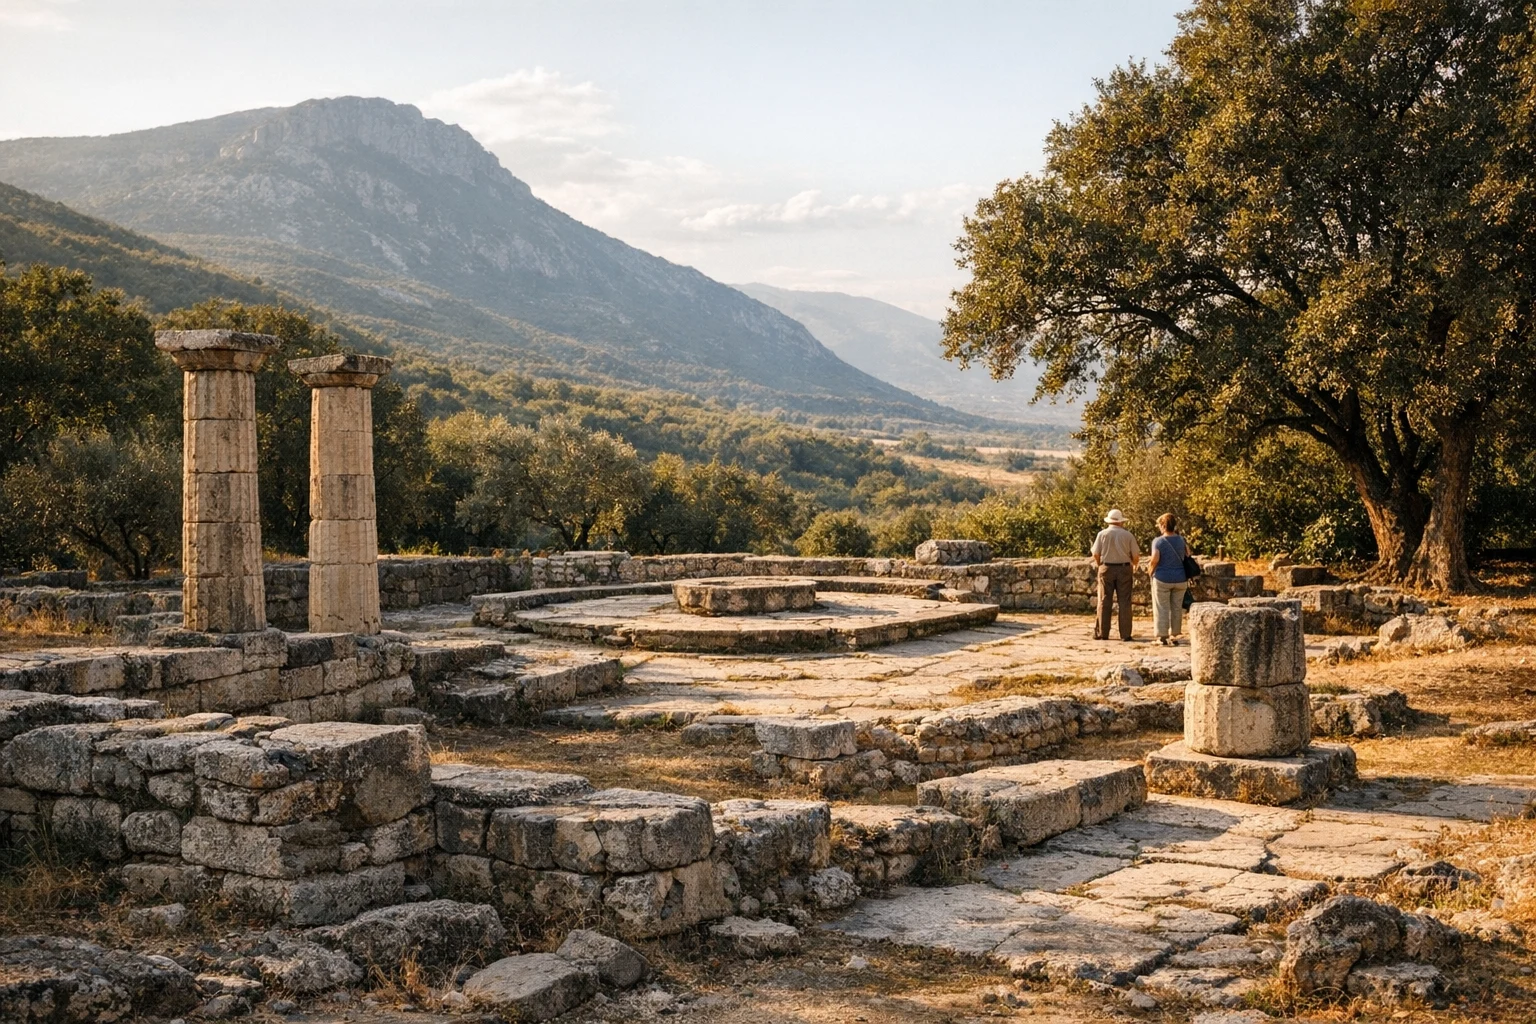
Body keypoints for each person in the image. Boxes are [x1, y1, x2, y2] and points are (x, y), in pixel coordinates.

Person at [1090, 509, 1140, 641]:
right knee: (1124, 601)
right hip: (1124, 568)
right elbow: (1135, 556)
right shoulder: (1128, 535)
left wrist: (1100, 563)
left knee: (1104, 600)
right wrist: (1133, 564)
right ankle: (1125, 634)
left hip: (1106, 567)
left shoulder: (1102, 534)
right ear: (1121, 522)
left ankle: (1102, 632)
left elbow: (1095, 553)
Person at [1147, 512, 1191, 646]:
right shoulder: (1181, 540)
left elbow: (1155, 559)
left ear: (1163, 526)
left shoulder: (1158, 541)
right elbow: (1187, 554)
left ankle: (1162, 636)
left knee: (1162, 607)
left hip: (1163, 578)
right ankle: (1175, 634)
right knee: (1177, 608)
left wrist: (1150, 571)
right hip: (1181, 578)